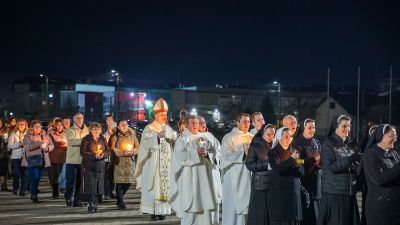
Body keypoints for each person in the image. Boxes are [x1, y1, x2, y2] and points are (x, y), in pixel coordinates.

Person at [170, 115, 220, 225]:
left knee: (204, 205)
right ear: (186, 125)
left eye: (196, 123)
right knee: (191, 206)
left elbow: (213, 152)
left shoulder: (204, 138)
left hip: (204, 178)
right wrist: (195, 153)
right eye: (192, 123)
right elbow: (179, 157)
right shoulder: (182, 139)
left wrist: (207, 154)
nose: (195, 125)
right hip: (189, 178)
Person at [135, 98, 175, 221]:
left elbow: (173, 144)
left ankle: (162, 211)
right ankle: (153, 211)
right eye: (162, 114)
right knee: (154, 186)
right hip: (153, 163)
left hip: (166, 164)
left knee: (164, 186)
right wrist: (156, 137)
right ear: (156, 115)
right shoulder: (149, 128)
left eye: (165, 114)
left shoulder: (168, 129)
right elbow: (145, 145)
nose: (164, 116)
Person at [317, 115, 361, 225]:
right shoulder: (328, 143)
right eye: (344, 126)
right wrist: (350, 159)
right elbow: (330, 167)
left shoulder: (352, 142)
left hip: (349, 190)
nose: (347, 128)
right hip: (335, 192)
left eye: (349, 126)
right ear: (336, 127)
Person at [363, 124, 400, 225]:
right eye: (391, 136)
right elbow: (379, 179)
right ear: (380, 137)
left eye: (395, 136)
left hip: (395, 206)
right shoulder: (371, 154)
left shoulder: (394, 153)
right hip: (381, 208)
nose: (395, 139)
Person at [220, 113, 253, 225]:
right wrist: (244, 153)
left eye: (248, 122)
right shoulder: (228, 137)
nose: (247, 124)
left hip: (248, 176)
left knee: (248, 207)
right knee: (232, 207)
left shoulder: (252, 137)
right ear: (237, 122)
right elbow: (225, 155)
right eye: (244, 121)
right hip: (233, 176)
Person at [269, 127, 304, 225]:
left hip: (294, 192)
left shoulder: (295, 151)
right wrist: (291, 160)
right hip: (280, 192)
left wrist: (298, 166)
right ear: (279, 137)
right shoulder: (273, 152)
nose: (289, 139)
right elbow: (278, 169)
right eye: (286, 136)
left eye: (291, 136)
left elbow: (301, 172)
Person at [292, 119, 322, 225]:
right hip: (303, 179)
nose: (312, 130)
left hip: (315, 179)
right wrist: (307, 160)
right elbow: (295, 161)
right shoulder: (296, 142)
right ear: (303, 128)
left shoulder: (316, 142)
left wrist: (319, 161)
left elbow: (320, 158)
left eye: (313, 127)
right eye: (309, 127)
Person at [246, 124, 275, 225]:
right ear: (263, 133)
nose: (271, 137)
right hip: (259, 185)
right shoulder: (255, 145)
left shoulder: (274, 145)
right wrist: (267, 165)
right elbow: (249, 164)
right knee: (258, 215)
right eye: (269, 134)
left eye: (273, 134)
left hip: (272, 185)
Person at [109, 119, 139, 210]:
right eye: (122, 125)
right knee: (120, 182)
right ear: (118, 127)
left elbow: (138, 147)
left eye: (126, 124)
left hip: (130, 162)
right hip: (119, 162)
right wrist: (123, 153)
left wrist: (133, 151)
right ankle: (120, 202)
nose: (125, 126)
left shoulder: (132, 136)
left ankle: (119, 198)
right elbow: (112, 149)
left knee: (129, 182)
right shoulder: (114, 136)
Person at [22, 120, 54, 203]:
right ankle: (34, 195)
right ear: (32, 128)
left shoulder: (45, 135)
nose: (38, 128)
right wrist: (39, 143)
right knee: (35, 177)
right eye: (36, 127)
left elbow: (52, 145)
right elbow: (27, 147)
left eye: (39, 126)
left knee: (37, 179)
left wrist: (47, 148)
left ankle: (34, 193)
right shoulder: (28, 136)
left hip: (43, 160)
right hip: (32, 161)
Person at [80, 122, 109, 213]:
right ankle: (91, 204)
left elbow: (108, 150)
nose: (96, 131)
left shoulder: (102, 138)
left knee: (98, 185)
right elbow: (83, 152)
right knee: (91, 184)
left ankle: (95, 203)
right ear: (90, 130)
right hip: (89, 165)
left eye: (98, 129)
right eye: (94, 129)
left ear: (100, 130)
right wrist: (94, 156)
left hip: (100, 165)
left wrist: (103, 155)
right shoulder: (86, 139)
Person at [198, 115, 222, 209]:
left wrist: (210, 154)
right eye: (200, 123)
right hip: (202, 169)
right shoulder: (195, 136)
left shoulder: (211, 135)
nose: (203, 124)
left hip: (212, 168)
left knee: (214, 191)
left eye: (204, 122)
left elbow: (219, 150)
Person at [65, 113, 89, 207]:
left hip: (83, 160)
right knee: (70, 181)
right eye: (78, 118)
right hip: (72, 160)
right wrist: (84, 141)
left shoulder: (87, 130)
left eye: (81, 118)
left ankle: (77, 200)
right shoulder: (70, 130)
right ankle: (68, 197)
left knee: (80, 182)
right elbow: (71, 142)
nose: (80, 119)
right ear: (74, 120)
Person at [8, 119, 29, 196]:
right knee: (16, 173)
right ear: (18, 125)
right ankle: (15, 188)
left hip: (25, 156)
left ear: (26, 125)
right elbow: (10, 145)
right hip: (16, 157)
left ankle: (22, 190)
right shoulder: (13, 134)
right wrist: (19, 144)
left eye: (23, 124)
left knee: (25, 174)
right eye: (20, 124)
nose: (22, 126)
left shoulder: (28, 134)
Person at [49, 119, 67, 199]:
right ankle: (55, 192)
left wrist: (66, 145)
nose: (60, 127)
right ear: (55, 126)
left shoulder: (66, 133)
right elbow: (51, 144)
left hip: (63, 155)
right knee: (55, 175)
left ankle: (60, 188)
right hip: (54, 156)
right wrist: (60, 143)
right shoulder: (51, 134)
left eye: (61, 125)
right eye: (58, 125)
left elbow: (68, 143)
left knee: (60, 174)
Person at [102, 114, 116, 200]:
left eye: (111, 120)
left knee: (113, 176)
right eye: (108, 120)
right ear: (106, 122)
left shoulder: (117, 133)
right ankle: (107, 193)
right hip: (107, 157)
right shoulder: (104, 134)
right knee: (106, 175)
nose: (110, 121)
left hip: (116, 157)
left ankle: (111, 191)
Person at [59, 116, 71, 193]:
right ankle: (62, 186)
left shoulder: (72, 130)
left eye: (68, 122)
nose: (67, 123)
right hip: (62, 153)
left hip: (71, 153)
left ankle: (68, 185)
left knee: (69, 171)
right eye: (65, 122)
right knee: (63, 170)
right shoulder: (61, 132)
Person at [0, 119, 10, 192]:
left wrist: (6, 140)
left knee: (4, 170)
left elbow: (7, 142)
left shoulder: (4, 131)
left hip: (3, 154)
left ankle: (3, 185)